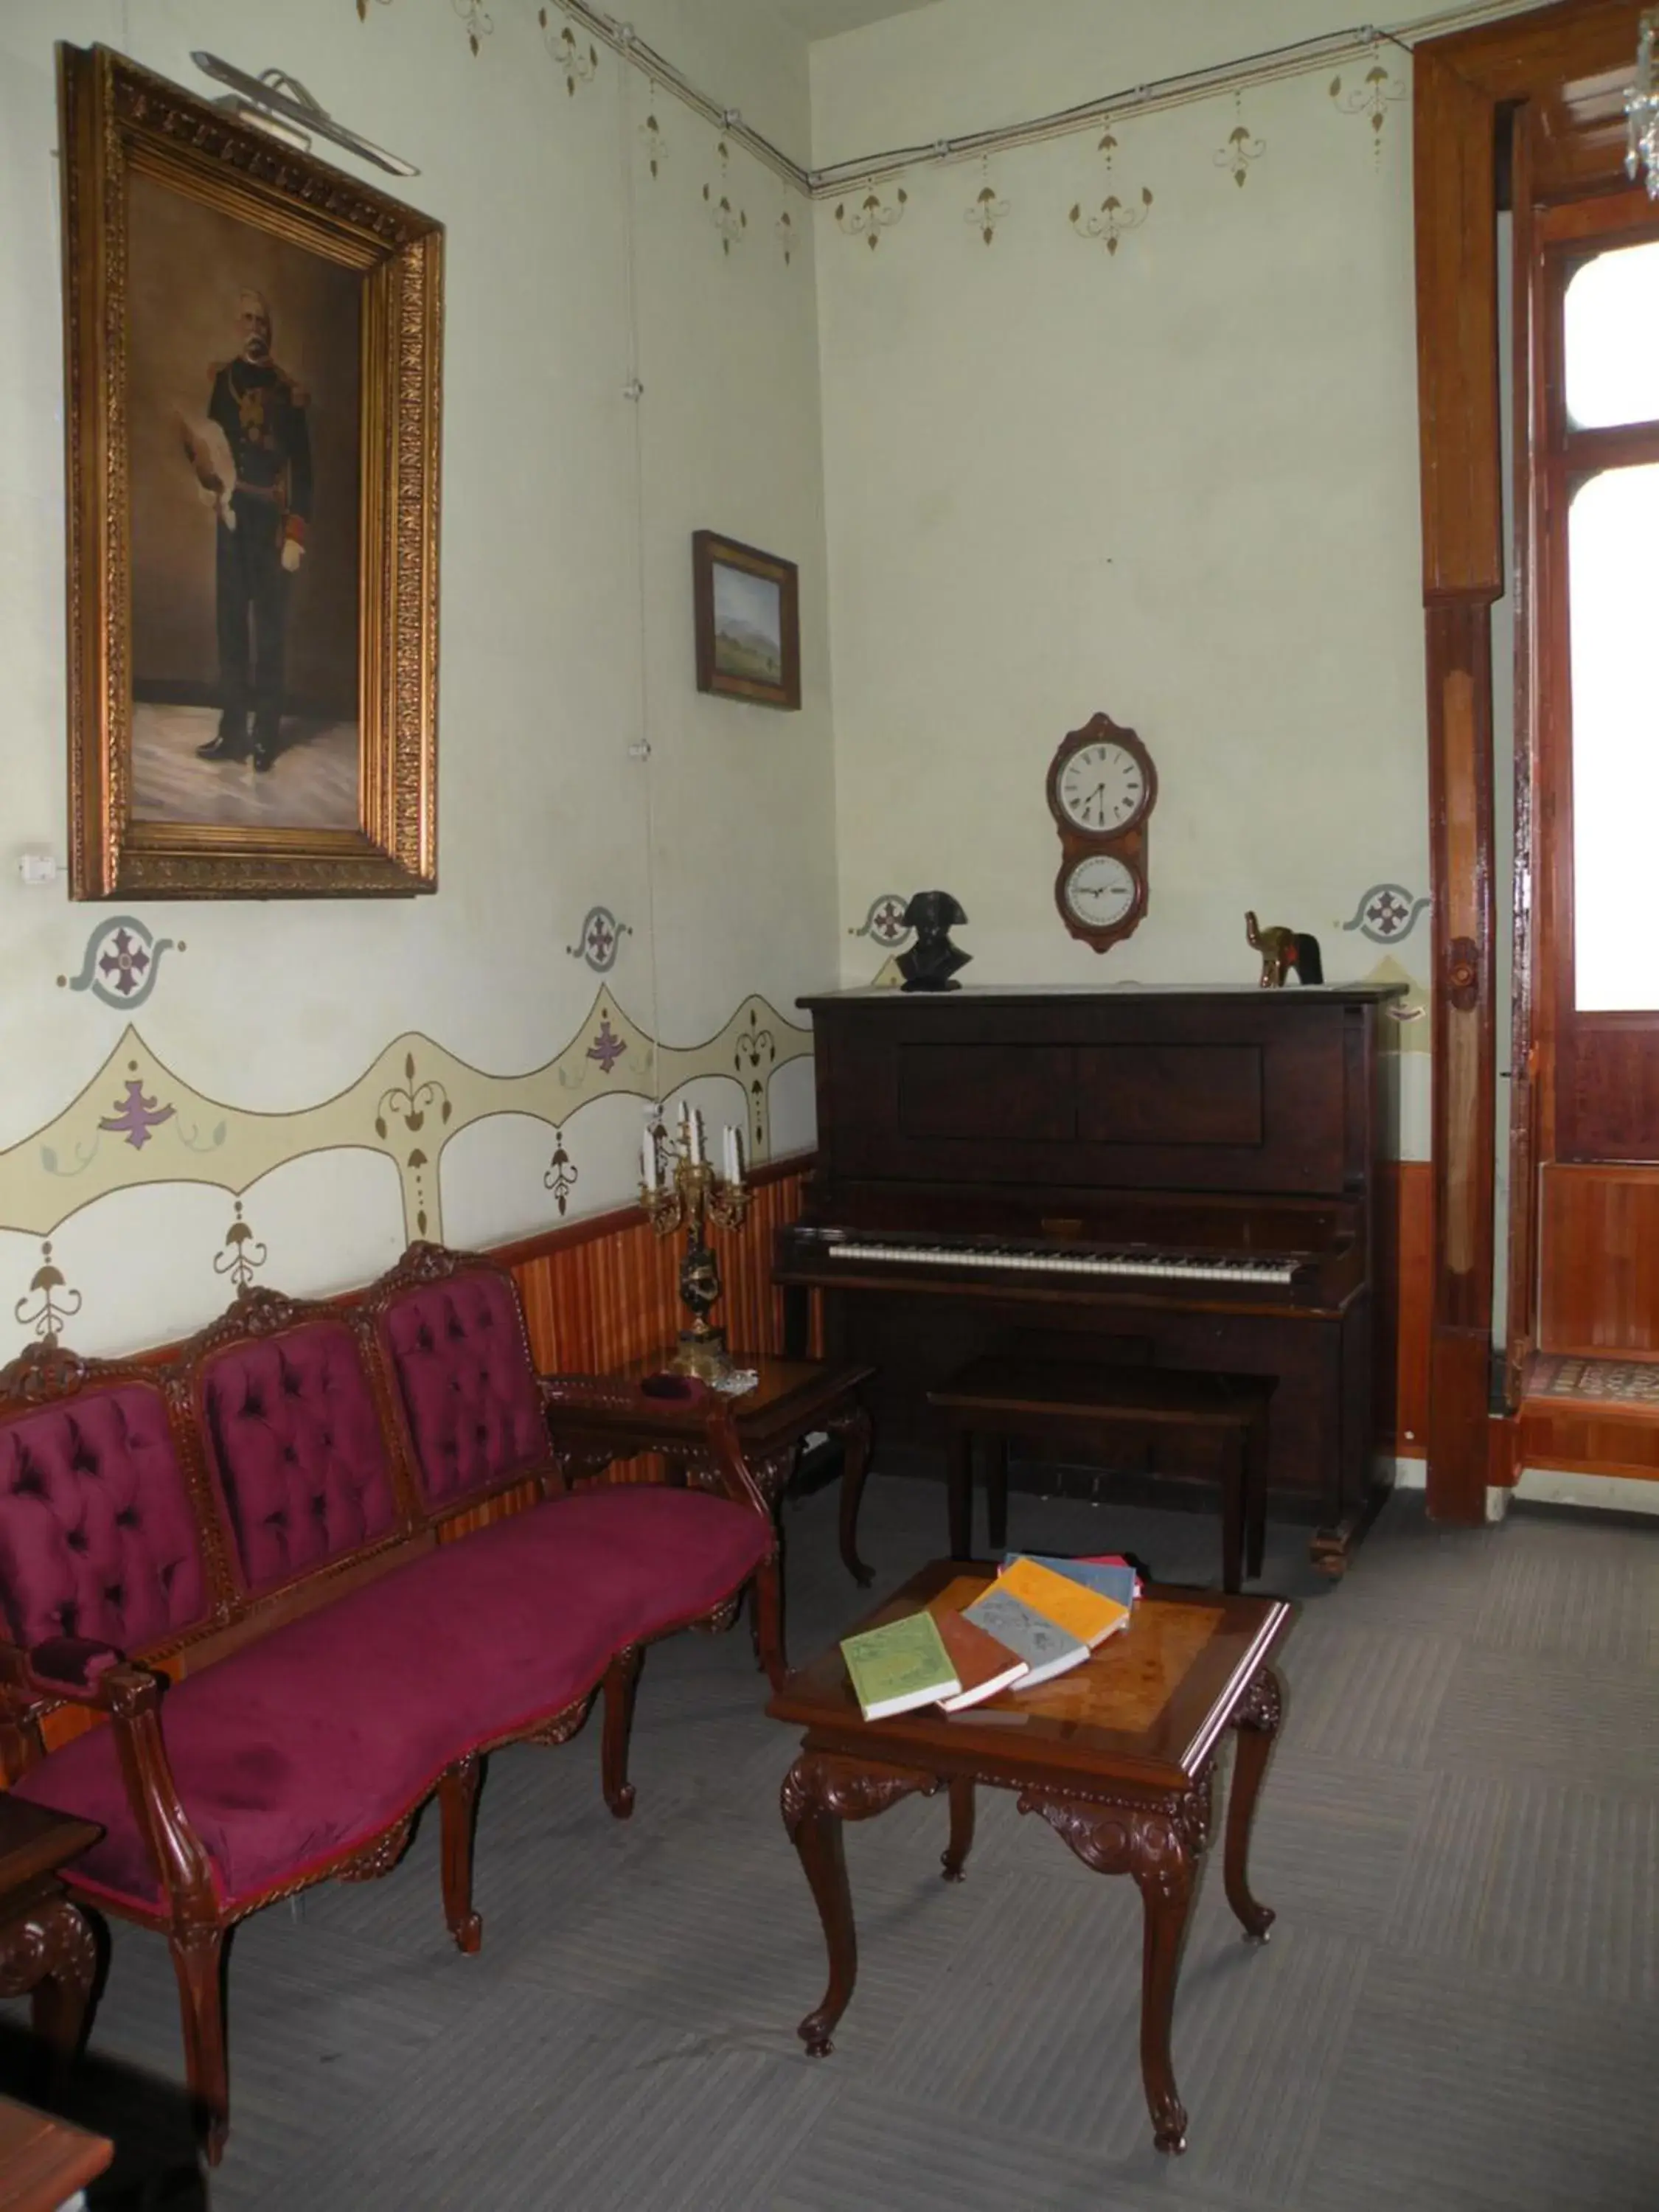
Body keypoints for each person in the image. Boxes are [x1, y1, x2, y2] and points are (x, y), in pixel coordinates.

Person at [187, 288, 312, 773]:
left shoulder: (289, 392)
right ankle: (232, 731)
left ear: (271, 330)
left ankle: (266, 737)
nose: (255, 328)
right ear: (238, 326)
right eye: (247, 319)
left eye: (262, 320)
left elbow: (304, 469)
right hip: (233, 518)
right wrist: (208, 487)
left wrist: (297, 534)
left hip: (272, 523)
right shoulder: (223, 381)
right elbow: (210, 443)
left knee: (271, 633)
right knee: (231, 628)